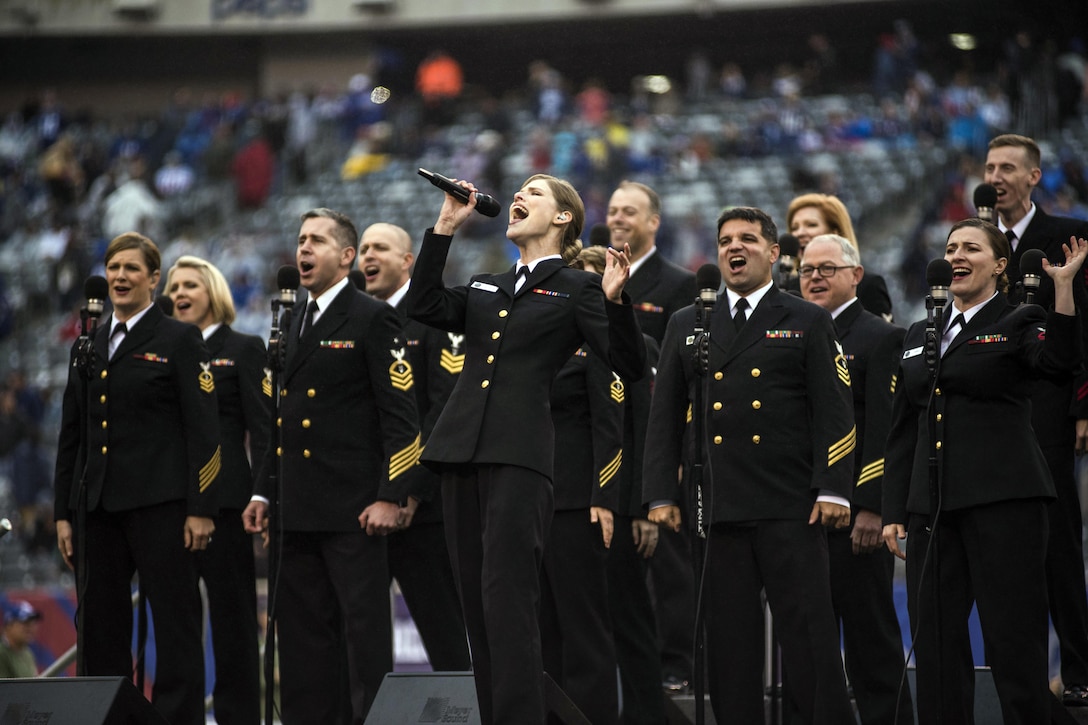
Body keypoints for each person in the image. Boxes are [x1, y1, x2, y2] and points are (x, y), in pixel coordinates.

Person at [407, 174, 646, 724]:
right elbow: (424, 303)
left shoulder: (578, 286)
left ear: (564, 218)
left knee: (508, 601)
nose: (519, 196)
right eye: (519, 191)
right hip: (459, 453)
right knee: (476, 608)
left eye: (535, 193)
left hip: (521, 456)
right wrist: (445, 225)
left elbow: (628, 365)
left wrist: (614, 303)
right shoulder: (488, 284)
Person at [645, 206, 856, 724]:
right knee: (730, 650)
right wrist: (659, 494)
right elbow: (664, 418)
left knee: (809, 642)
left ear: (774, 251)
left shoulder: (806, 318)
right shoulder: (688, 321)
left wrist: (833, 489)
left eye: (747, 239)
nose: (734, 248)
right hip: (718, 509)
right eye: (725, 241)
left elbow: (835, 411)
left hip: (791, 506)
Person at [882, 219, 1087, 722]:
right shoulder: (917, 333)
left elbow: (1057, 364)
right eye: (951, 247)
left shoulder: (1020, 319)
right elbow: (903, 429)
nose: (956, 255)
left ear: (999, 265)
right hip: (932, 508)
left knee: (1012, 645)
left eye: (971, 247)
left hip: (1005, 503)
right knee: (934, 647)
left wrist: (1063, 289)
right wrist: (894, 511)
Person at [242, 208, 422, 723]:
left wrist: (391, 494)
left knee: (364, 642)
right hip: (296, 510)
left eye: (317, 241)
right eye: (300, 240)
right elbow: (278, 421)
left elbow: (401, 417)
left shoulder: (372, 316)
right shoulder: (290, 317)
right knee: (302, 645)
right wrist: (262, 492)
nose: (303, 249)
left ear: (347, 257)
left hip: (353, 510)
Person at [53, 232, 220, 725]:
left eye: (131, 268)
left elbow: (204, 431)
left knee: (175, 624)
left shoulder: (179, 338)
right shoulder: (87, 343)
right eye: (113, 268)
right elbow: (72, 434)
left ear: (154, 279)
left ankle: (177, 719)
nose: (120, 277)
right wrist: (64, 512)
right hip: (98, 508)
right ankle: (114, 718)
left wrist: (201, 508)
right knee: (100, 627)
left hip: (163, 506)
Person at [983, 133, 1088, 706]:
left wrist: (1082, 405)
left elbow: (1086, 327)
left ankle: (1078, 671)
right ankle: (1014, 679)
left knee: (1059, 540)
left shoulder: (1070, 237)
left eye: (1008, 168)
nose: (996, 176)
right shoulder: (971, 243)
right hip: (990, 410)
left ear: (1034, 176)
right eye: (990, 166)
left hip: (1049, 407)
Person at [799, 233, 912, 724]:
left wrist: (872, 504)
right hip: (802, 513)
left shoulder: (879, 336)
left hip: (856, 520)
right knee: (812, 647)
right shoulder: (796, 330)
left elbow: (888, 427)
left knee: (872, 645)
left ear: (856, 276)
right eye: (807, 270)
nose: (815, 277)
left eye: (827, 268)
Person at [355, 222, 471, 672]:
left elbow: (444, 409)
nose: (369, 255)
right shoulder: (356, 319)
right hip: (362, 503)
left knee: (444, 633)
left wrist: (409, 490)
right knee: (360, 635)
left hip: (425, 508)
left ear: (408, 262)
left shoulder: (433, 318)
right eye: (363, 247)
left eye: (380, 247)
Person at [166, 255, 270, 725]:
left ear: (214, 291)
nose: (179, 294)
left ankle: (239, 718)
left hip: (227, 504)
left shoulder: (244, 348)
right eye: (173, 286)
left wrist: (263, 494)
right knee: (175, 626)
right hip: (168, 502)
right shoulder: (160, 350)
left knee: (233, 625)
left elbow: (264, 430)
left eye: (190, 284)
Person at [606, 180, 695, 700]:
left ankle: (676, 662)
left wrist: (677, 452)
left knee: (668, 561)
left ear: (653, 222)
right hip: (611, 443)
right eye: (614, 210)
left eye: (630, 212)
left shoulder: (678, 285)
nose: (619, 218)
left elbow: (683, 376)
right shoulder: (594, 279)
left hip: (660, 442)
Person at [539, 244, 623, 724]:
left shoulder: (599, 345)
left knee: (583, 628)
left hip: (577, 502)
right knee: (541, 627)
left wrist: (603, 498)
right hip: (534, 496)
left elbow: (608, 425)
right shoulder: (548, 340)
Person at [786, 193, 893, 320]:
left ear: (834, 232)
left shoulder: (868, 285)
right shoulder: (789, 289)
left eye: (811, 225)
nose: (799, 233)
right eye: (794, 228)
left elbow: (884, 336)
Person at [0, 600, 41, 678]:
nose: (30, 628)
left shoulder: (28, 653)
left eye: (32, 623)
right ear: (9, 625)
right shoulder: (2, 654)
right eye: (25, 623)